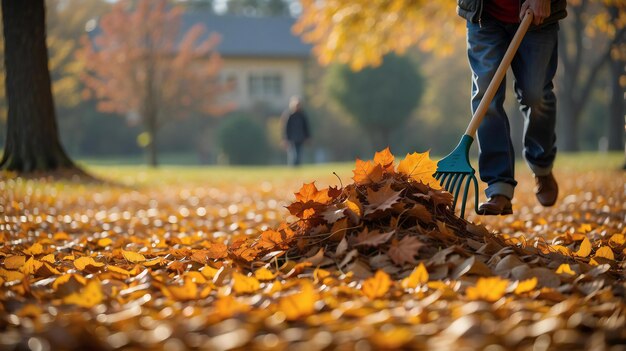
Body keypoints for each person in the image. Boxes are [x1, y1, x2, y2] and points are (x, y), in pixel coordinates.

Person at [456, 0, 567, 215]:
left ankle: (541, 164)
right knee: (485, 96)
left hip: (538, 18)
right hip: (484, 16)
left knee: (535, 95)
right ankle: (499, 187)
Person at [282, 96, 310, 166]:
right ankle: (293, 167)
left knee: (299, 153)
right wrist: (285, 139)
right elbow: (286, 128)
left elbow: (306, 127)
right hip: (292, 138)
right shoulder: (289, 115)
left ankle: (298, 166)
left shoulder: (302, 115)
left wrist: (308, 137)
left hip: (300, 137)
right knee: (293, 154)